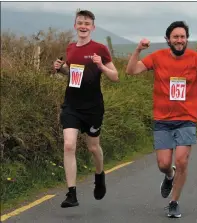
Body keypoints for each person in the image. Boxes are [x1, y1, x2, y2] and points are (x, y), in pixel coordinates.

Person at [125, 21, 197, 218]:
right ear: (168, 40)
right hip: (162, 119)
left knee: (182, 161)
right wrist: (138, 50)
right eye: (175, 37)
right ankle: (169, 176)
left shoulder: (195, 58)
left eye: (182, 37)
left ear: (187, 39)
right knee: (164, 164)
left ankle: (174, 202)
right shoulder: (158, 57)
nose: (179, 40)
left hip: (186, 118)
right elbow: (131, 71)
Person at [53, 9, 119, 208]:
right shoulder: (71, 48)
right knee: (69, 145)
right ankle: (71, 194)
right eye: (80, 22)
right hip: (71, 104)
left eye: (87, 23)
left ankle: (99, 176)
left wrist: (101, 66)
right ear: (75, 25)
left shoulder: (100, 48)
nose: (83, 26)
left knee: (92, 147)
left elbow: (115, 77)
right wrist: (60, 69)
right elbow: (74, 75)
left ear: (93, 27)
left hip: (93, 108)